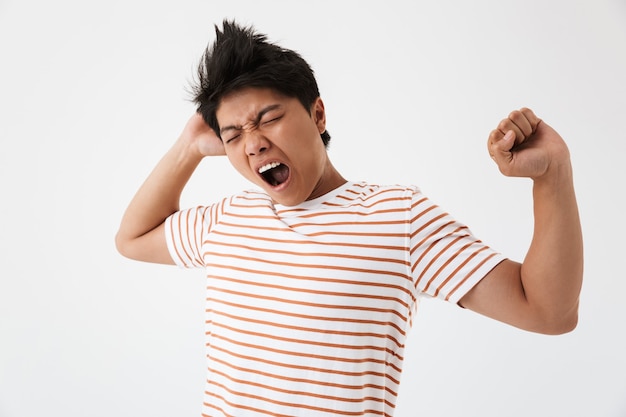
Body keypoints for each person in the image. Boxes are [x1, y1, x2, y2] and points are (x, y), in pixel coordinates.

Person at [115, 19, 583, 417]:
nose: (253, 142)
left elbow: (547, 311)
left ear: (318, 114)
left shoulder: (397, 216)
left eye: (268, 118)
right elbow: (132, 238)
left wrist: (553, 174)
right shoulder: (227, 219)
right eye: (233, 134)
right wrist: (189, 147)